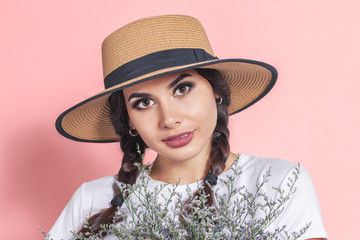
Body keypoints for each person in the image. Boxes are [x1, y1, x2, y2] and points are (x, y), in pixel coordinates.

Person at [49, 15, 327, 239]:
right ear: (129, 121)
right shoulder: (91, 199)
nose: (168, 118)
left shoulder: (280, 184)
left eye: (182, 88)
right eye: (144, 103)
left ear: (215, 92)